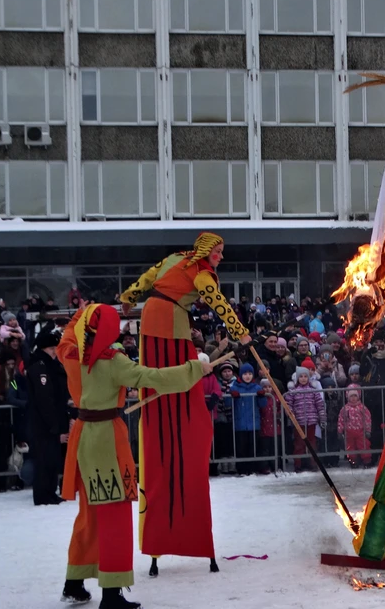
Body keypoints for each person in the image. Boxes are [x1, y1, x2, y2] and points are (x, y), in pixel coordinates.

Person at [56, 302, 213, 609]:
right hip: (105, 438)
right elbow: (151, 377)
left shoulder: (71, 353)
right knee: (114, 514)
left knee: (90, 513)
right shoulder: (112, 361)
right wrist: (195, 368)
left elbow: (69, 332)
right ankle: (112, 594)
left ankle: (74, 582)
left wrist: (85, 312)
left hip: (84, 437)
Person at [120, 231, 252, 576]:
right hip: (170, 328)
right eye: (219, 251)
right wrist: (240, 332)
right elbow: (218, 302)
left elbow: (149, 277)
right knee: (174, 377)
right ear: (207, 250)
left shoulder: (176, 257)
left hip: (150, 320)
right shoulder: (201, 272)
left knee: (158, 377)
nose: (221, 257)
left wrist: (131, 295)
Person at [26, 332, 70, 506]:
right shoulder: (39, 367)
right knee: (44, 460)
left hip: (53, 420)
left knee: (52, 459)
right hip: (43, 423)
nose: (54, 352)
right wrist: (53, 424)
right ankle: (43, 494)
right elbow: (45, 398)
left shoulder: (51, 366)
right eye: (52, 348)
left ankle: (50, 491)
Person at [284, 366, 325, 472]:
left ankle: (313, 463)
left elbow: (320, 405)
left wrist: (322, 417)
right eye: (301, 376)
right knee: (299, 444)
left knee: (312, 443)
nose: (303, 378)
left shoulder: (313, 391)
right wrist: (290, 415)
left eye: (305, 376)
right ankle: (298, 464)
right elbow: (289, 405)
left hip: (311, 421)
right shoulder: (293, 392)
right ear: (297, 378)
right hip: (299, 422)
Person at [229, 363, 266, 475]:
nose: (248, 376)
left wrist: (261, 396)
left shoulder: (257, 387)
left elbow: (263, 404)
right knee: (241, 448)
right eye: (245, 374)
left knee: (252, 447)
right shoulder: (234, 387)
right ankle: (241, 469)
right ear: (241, 375)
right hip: (240, 423)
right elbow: (227, 403)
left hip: (253, 423)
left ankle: (251, 469)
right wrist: (232, 397)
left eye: (250, 373)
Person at [338, 384, 372, 467]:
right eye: (351, 396)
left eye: (355, 396)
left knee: (364, 446)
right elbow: (341, 420)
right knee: (350, 447)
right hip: (349, 432)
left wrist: (368, 430)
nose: (353, 398)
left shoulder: (362, 408)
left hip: (361, 431)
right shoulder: (345, 408)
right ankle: (353, 461)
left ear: (358, 397)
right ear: (347, 397)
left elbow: (367, 419)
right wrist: (340, 430)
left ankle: (366, 460)